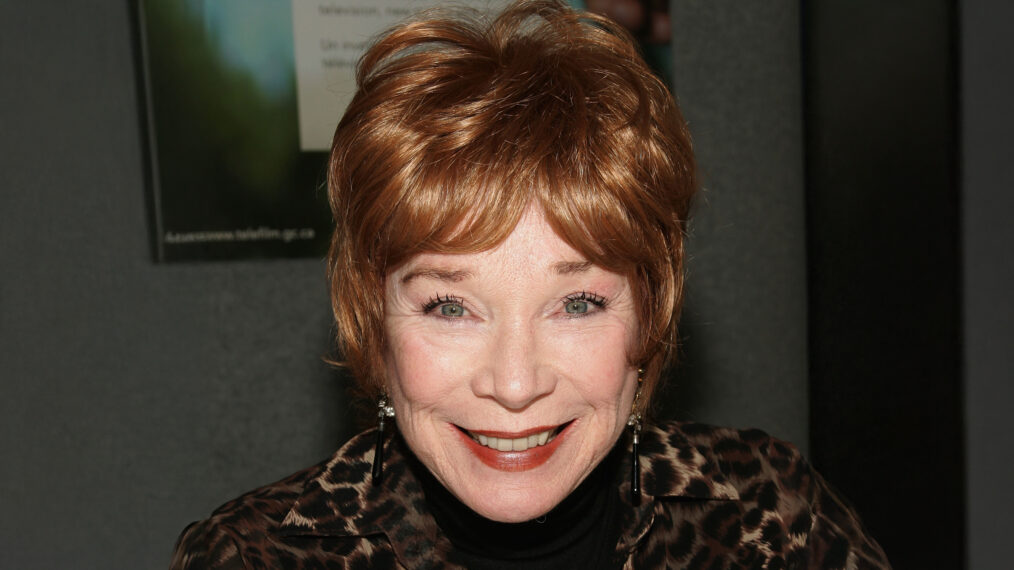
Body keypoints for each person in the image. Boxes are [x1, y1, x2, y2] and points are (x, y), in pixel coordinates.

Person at [170, 1, 890, 568]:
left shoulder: (769, 516)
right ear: (371, 318)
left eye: (577, 304)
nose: (515, 386)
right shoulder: (254, 557)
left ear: (651, 316)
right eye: (450, 306)